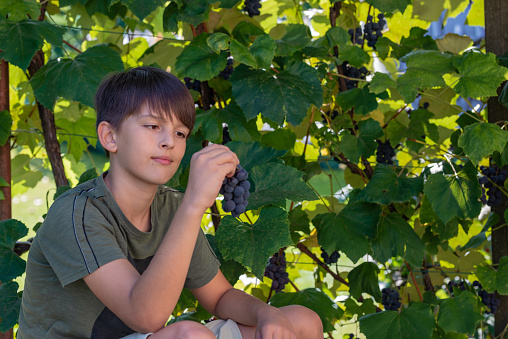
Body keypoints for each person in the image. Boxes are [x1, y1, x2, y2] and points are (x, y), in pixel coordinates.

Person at [18, 66, 323, 339]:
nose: (169, 142)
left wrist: (266, 313)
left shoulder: (170, 207)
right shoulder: (77, 213)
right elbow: (146, 317)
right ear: (110, 137)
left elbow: (218, 298)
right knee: (190, 336)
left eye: (180, 133)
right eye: (152, 126)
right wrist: (194, 205)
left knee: (300, 321)